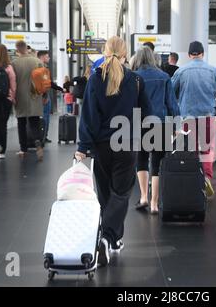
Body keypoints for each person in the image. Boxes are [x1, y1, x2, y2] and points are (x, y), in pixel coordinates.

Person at [74, 36, 151, 267]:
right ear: (126, 54)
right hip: (126, 144)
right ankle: (109, 238)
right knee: (121, 194)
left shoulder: (95, 79)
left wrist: (82, 147)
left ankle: (110, 239)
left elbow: (88, 116)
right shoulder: (136, 81)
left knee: (106, 194)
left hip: (101, 145)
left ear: (105, 53)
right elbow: (147, 114)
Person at [172, 41, 216, 198]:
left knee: (191, 151)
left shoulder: (181, 71)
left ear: (189, 55)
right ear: (202, 53)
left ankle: (193, 181)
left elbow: (171, 93)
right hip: (207, 116)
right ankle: (206, 178)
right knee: (206, 149)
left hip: (186, 118)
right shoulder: (213, 71)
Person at [131, 46, 180, 215]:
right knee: (157, 162)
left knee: (141, 160)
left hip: (139, 123)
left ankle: (144, 196)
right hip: (162, 123)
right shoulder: (164, 76)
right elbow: (172, 104)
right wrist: (176, 126)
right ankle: (154, 203)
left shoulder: (133, 77)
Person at [11, 40, 45, 161]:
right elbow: (43, 81)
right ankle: (37, 141)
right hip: (35, 96)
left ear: (17, 50)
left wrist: (12, 96)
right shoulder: (37, 62)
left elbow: (12, 82)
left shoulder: (14, 63)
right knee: (34, 122)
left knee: (21, 123)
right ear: (27, 48)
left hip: (20, 97)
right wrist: (44, 95)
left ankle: (23, 149)